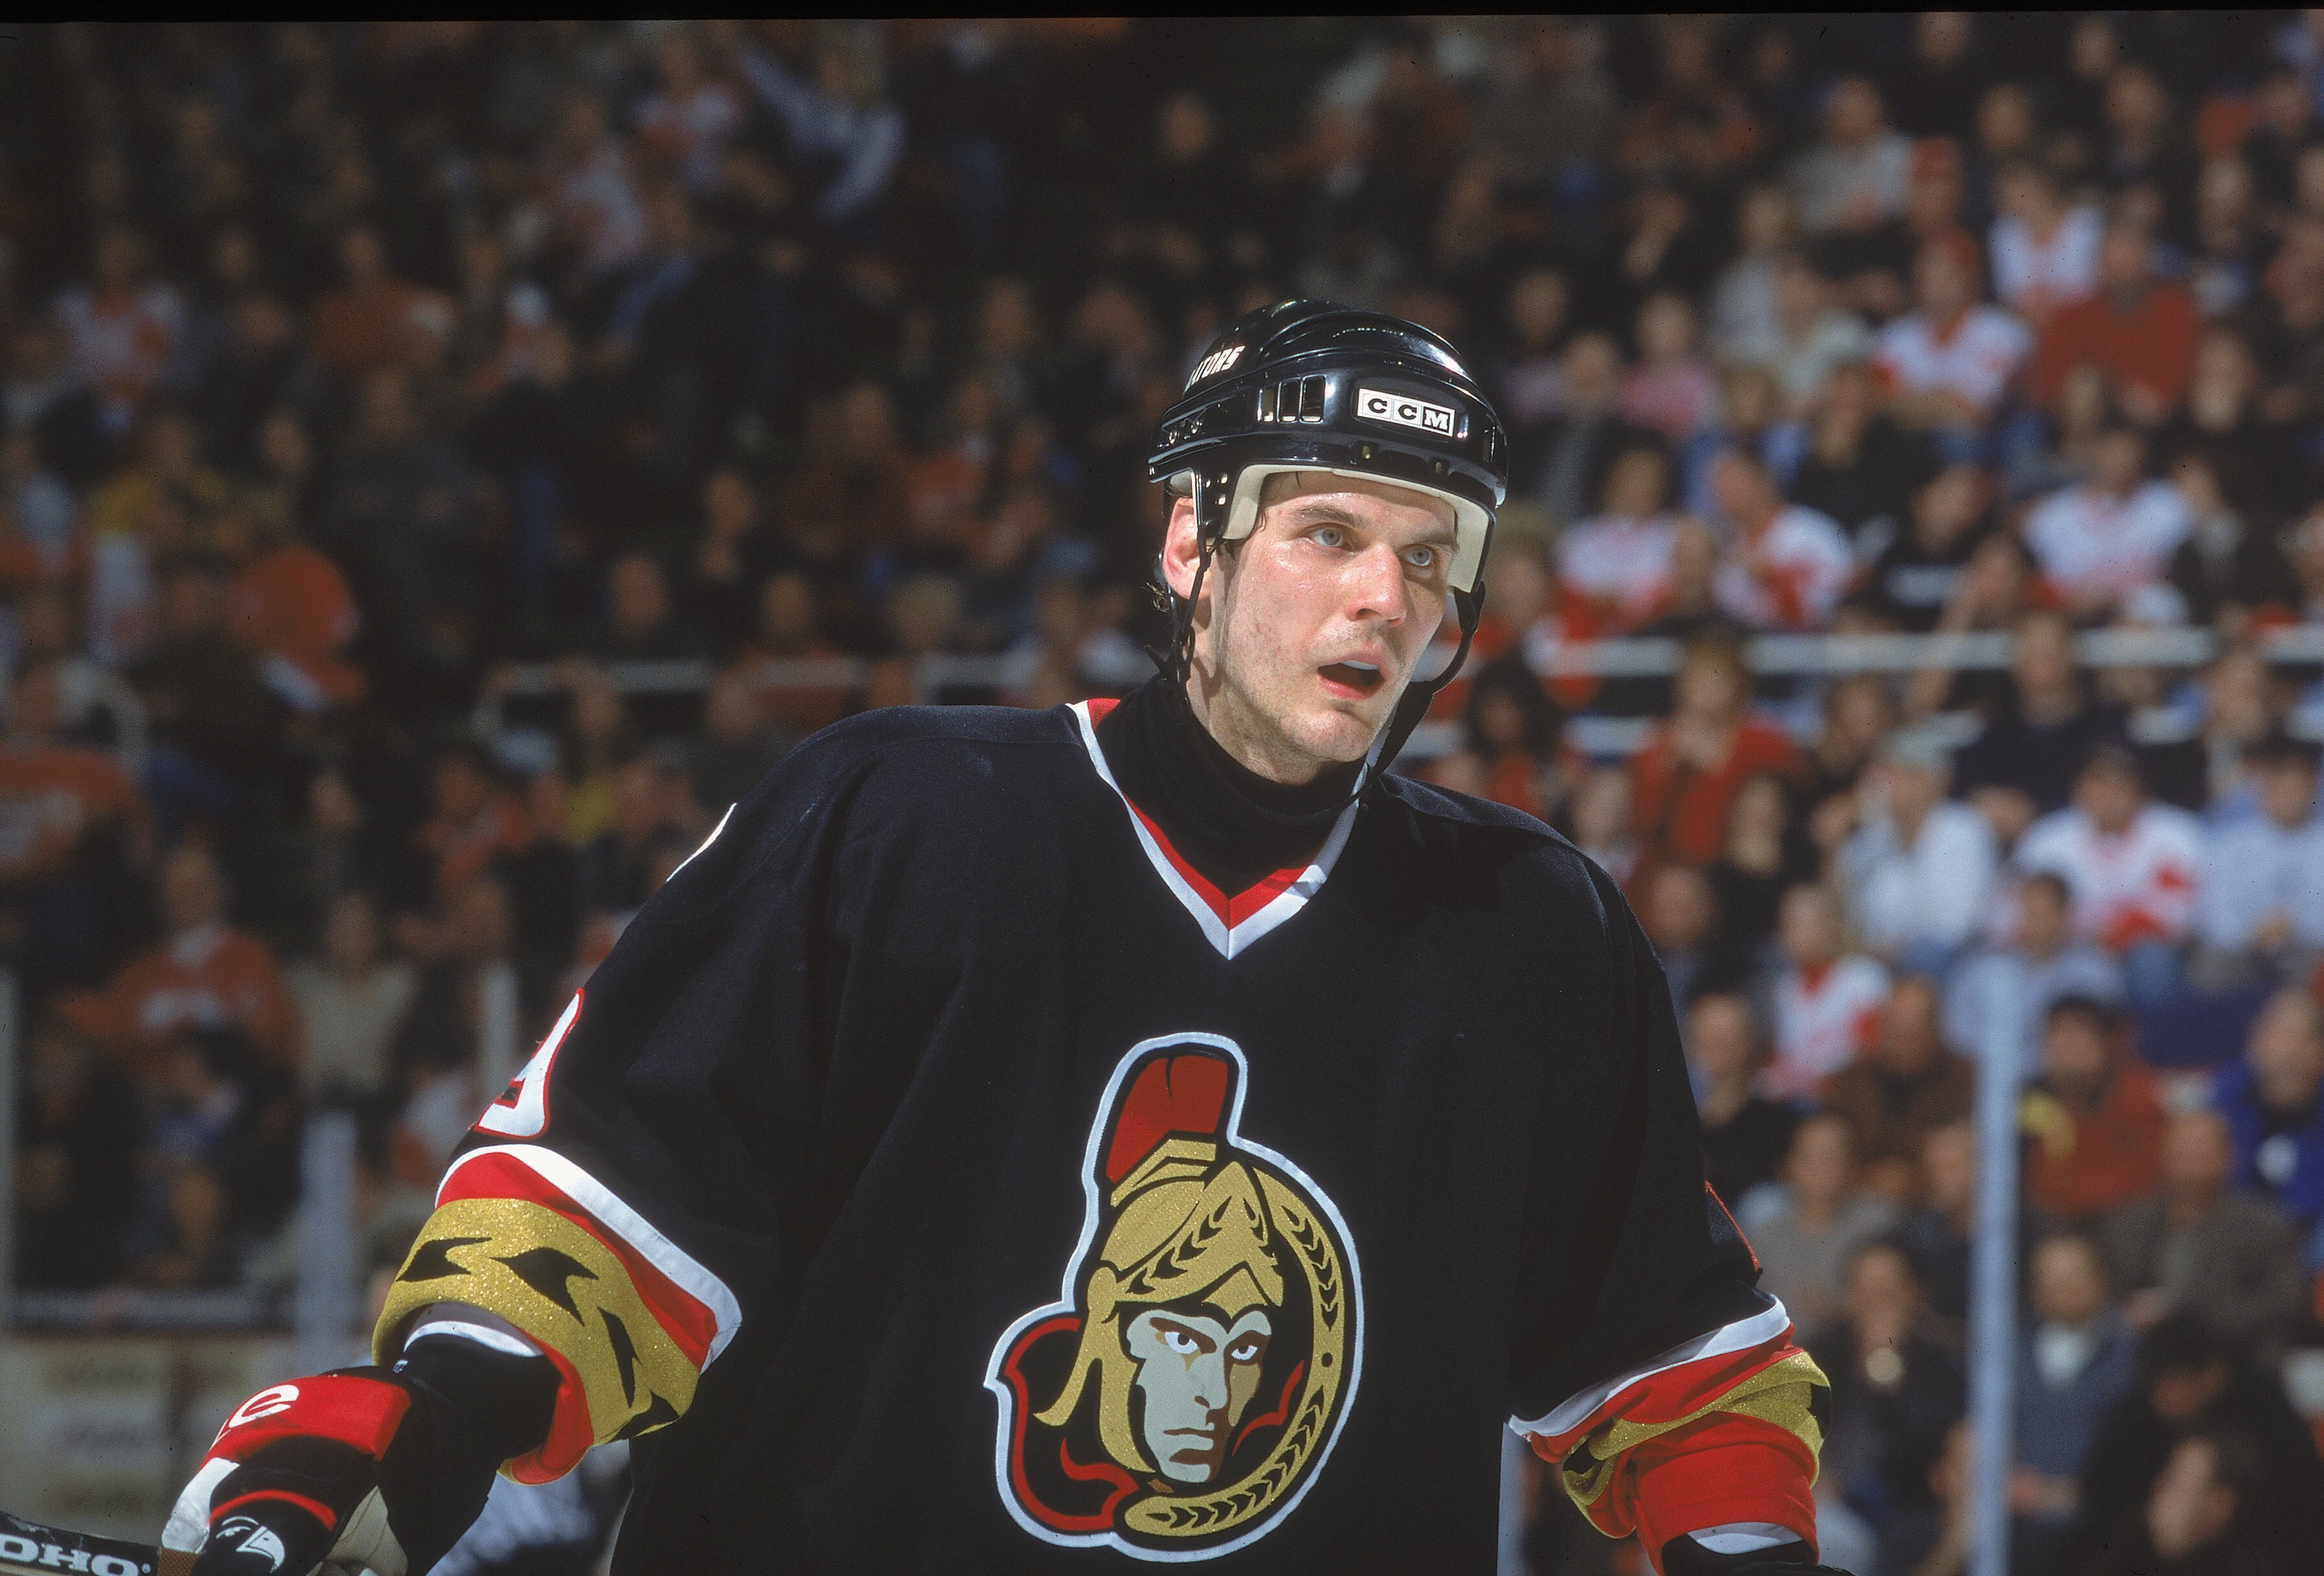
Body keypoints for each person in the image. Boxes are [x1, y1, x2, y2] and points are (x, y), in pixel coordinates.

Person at [167, 304, 1844, 1575]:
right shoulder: (896, 818)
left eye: (1428, 557)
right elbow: (611, 1199)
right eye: (1328, 533)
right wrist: (430, 1415)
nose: (1384, 598)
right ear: (1190, 543)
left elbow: (1677, 1365)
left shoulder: (1531, 931)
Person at [2102, 1109, 2308, 1356]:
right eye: (2180, 1154)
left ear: (2229, 1158)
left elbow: (2283, 1303)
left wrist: (2188, 1315)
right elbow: (2108, 1291)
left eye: (2199, 1155)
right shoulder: (2129, 1224)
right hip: (2141, 1354)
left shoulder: (2264, 1227)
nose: (2188, 1166)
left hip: (2231, 1354)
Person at [2012, 746, 2203, 1004]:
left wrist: (2114, 934)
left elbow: (2179, 914)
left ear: (2140, 791)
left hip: (2140, 950)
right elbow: (2013, 908)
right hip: (2064, 948)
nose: (2109, 795)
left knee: (2152, 961)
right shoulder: (2047, 838)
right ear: (2078, 790)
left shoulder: (2175, 833)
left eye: (2119, 785)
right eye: (2099, 783)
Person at [2011, 1233, 2137, 1573]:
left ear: (2100, 1281)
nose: (2061, 1289)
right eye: (2050, 1279)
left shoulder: (2130, 1354)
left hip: (2098, 1517)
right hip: (2017, 1513)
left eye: (2072, 1277)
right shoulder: (2009, 1351)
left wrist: (2071, 1494)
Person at [1821, 976, 1976, 1199]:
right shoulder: (1851, 1082)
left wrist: (1915, 1181)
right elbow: (1830, 1149)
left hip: (1938, 1201)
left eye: (1915, 1028)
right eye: (1896, 1027)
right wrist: (1866, 1178)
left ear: (1934, 1028)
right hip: (1857, 1199)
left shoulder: (1964, 1080)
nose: (1904, 1038)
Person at [2021, 996, 2167, 1224]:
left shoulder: (2139, 1096)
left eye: (2077, 1033)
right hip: (2051, 1226)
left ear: (2105, 1043)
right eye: (2057, 1033)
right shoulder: (2029, 1103)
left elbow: (2145, 1180)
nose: (2066, 1045)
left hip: (2123, 1222)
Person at [2194, 729, 2324, 985]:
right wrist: (2253, 933)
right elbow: (2215, 920)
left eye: (2297, 784)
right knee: (2208, 970)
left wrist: (2294, 928)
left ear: (2313, 787)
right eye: (2279, 782)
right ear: (2261, 785)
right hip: (2244, 952)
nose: (2288, 792)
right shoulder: (2230, 843)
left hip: (2309, 954)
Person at [2211, 986, 2324, 1240]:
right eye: (2264, 1024)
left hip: (2308, 1231)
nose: (2263, 1035)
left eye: (2282, 1031)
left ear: (2316, 1051)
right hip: (2238, 1229)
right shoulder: (2229, 1095)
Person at [1685, 990, 1798, 1211]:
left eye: (1728, 1037)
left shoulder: (1777, 1123)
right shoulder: (1673, 1123)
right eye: (1708, 1037)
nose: (1718, 1046)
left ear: (1749, 1043)